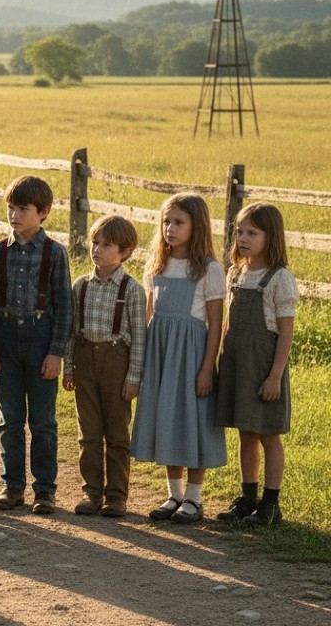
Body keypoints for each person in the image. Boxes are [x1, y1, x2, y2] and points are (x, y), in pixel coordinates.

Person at [0, 175, 72, 515]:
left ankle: (45, 490)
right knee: (10, 419)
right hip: (5, 341)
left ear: (43, 212)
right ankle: (11, 486)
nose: (14, 215)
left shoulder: (55, 253)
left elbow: (64, 307)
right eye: (11, 208)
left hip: (40, 339)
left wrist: (56, 352)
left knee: (43, 421)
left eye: (23, 209)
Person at [130, 193, 226, 524]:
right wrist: (141, 361)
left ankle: (195, 499)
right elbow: (148, 314)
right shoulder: (157, 263)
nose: (170, 228)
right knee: (167, 416)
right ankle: (174, 494)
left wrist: (206, 369)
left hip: (191, 355)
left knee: (193, 419)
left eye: (179, 222)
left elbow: (216, 325)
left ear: (196, 226)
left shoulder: (209, 269)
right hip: (160, 353)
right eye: (166, 222)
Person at [215, 203, 297, 527]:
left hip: (264, 365)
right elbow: (226, 322)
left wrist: (275, 376)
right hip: (237, 361)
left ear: (270, 236)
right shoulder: (236, 272)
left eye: (253, 233)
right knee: (245, 433)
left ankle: (270, 504)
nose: (244, 239)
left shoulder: (280, 278)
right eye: (240, 232)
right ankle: (247, 498)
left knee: (268, 434)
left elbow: (286, 332)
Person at [62, 215, 147, 518]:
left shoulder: (132, 290)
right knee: (89, 432)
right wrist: (69, 368)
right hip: (85, 358)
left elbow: (139, 337)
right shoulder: (80, 286)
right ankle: (91, 492)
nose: (97, 250)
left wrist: (134, 376)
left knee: (116, 431)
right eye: (94, 243)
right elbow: (71, 331)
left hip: (116, 362)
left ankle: (117, 495)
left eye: (106, 245)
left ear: (125, 251)